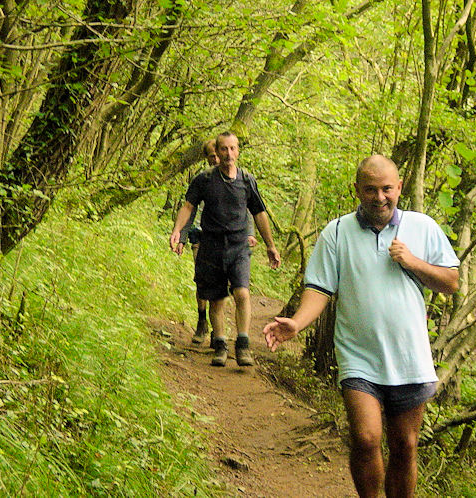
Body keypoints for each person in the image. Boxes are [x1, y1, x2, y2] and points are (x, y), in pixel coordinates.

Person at [263, 155, 459, 497]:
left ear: (399, 188)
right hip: (359, 357)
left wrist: (412, 261)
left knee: (405, 445)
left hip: (410, 357)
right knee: (366, 438)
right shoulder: (337, 232)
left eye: (387, 189)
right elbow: (319, 289)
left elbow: (451, 282)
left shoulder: (424, 227)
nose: (380, 197)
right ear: (357, 191)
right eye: (370, 190)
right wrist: (296, 323)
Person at [171, 132, 281, 367]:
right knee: (217, 299)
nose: (229, 154)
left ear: (238, 151)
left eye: (233, 149)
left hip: (239, 245)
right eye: (224, 149)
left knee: (242, 293)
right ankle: (220, 344)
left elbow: (259, 213)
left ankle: (242, 344)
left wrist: (270, 246)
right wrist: (178, 231)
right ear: (217, 153)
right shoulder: (205, 179)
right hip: (211, 245)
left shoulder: (247, 180)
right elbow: (189, 206)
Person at [176, 139, 258, 347]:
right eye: (212, 156)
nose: (217, 159)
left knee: (234, 288)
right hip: (202, 238)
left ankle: (218, 334)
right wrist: (182, 236)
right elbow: (189, 208)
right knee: (205, 284)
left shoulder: (238, 180)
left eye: (218, 154)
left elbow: (246, 209)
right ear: (208, 157)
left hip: (232, 241)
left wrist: (249, 232)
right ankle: (202, 319)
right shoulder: (203, 181)